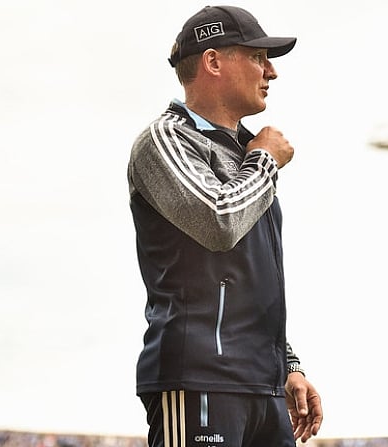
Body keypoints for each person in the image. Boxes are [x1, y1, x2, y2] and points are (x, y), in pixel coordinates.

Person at [127, 5, 323, 446]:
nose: (271, 71)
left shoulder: (246, 153)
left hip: (262, 386)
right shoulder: (166, 140)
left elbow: (251, 278)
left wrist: (287, 365)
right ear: (213, 62)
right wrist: (267, 159)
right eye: (257, 57)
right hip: (199, 378)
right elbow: (218, 222)